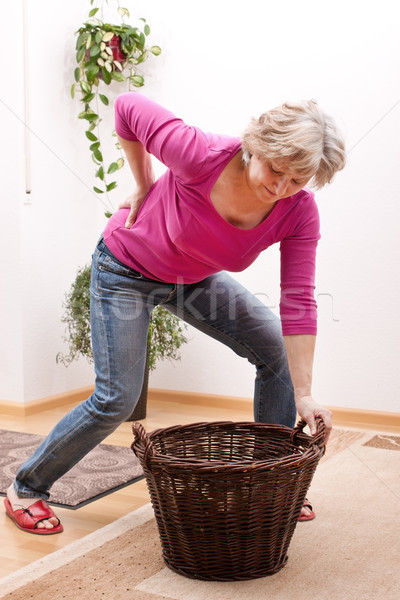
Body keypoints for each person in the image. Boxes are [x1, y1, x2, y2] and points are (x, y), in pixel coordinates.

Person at [4, 92, 346, 534]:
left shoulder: (299, 213)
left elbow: (298, 297)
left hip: (193, 279)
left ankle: (268, 483)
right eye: (275, 169)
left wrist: (304, 393)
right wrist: (144, 182)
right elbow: (127, 106)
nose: (281, 187)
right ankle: (26, 488)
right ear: (257, 145)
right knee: (116, 400)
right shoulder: (200, 154)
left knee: (275, 350)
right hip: (125, 269)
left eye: (297, 179)